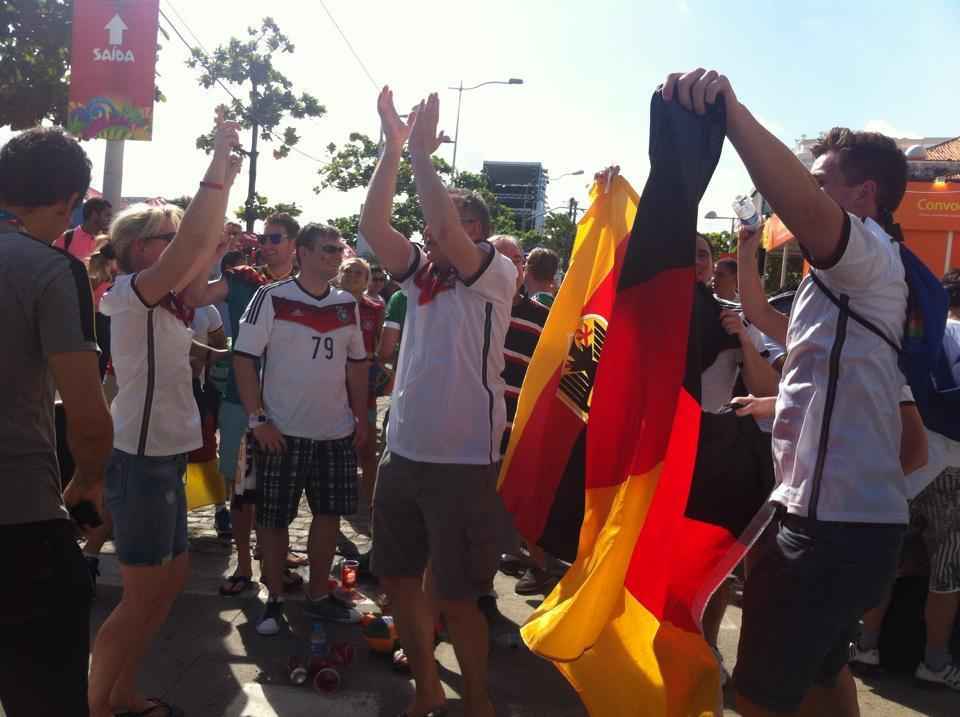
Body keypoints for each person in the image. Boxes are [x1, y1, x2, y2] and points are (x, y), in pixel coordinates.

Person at [664, 69, 913, 717]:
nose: (809, 191)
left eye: (824, 180)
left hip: (826, 524)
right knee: (825, 677)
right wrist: (747, 248)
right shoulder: (842, 281)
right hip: (840, 521)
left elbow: (797, 200)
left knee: (759, 699)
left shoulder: (866, 255)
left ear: (865, 195)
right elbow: (765, 321)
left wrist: (734, 114)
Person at [360, 87, 517, 717]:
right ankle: (427, 690)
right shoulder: (417, 270)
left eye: (456, 219)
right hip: (404, 452)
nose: (437, 223)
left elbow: (446, 228)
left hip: (463, 459)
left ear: (477, 230)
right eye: (436, 216)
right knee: (398, 580)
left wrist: (425, 159)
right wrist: (396, 148)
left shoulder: (495, 274)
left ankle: (476, 701)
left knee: (457, 595)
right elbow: (373, 226)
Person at [87, 114, 242, 717]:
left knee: (168, 583)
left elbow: (199, 252)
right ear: (139, 249)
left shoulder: (172, 297)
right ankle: (100, 704)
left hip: (166, 459)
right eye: (167, 236)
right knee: (143, 593)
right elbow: (193, 249)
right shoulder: (130, 292)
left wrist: (226, 174)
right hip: (140, 461)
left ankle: (121, 692)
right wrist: (218, 163)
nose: (179, 243)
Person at [0, 127, 114, 717]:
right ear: (69, 201)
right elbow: (89, 417)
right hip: (20, 519)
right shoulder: (51, 269)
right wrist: (89, 481)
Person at [233, 223, 369, 635]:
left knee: (329, 516)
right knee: (273, 519)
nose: (335, 256)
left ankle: (317, 596)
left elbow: (358, 364)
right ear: (304, 253)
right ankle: (273, 598)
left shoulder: (348, 302)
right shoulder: (271, 296)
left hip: (335, 432)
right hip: (282, 432)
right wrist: (258, 419)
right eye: (327, 249)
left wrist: (361, 419)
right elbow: (243, 358)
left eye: (339, 249)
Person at [187, 212, 303, 595]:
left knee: (282, 488)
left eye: (275, 239)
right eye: (264, 239)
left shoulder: (310, 286)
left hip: (293, 401)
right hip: (241, 396)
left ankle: (276, 559)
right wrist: (217, 251)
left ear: (293, 245)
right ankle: (241, 564)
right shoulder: (240, 280)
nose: (267, 246)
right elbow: (194, 296)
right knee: (242, 488)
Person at [489, 235, 554, 597]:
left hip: (517, 429)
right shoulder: (472, 306)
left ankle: (541, 569)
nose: (513, 265)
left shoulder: (542, 317)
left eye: (518, 259)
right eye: (504, 257)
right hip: (470, 430)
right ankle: (476, 596)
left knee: (522, 504)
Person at [337, 256, 386, 510]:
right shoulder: (326, 305)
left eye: (358, 273)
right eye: (347, 271)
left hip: (363, 388)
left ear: (366, 280)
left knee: (366, 448)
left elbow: (378, 346)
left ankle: (369, 505)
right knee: (334, 449)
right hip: (330, 387)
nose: (352, 276)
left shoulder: (375, 310)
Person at [53, 196, 113, 263]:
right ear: (94, 214)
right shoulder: (65, 239)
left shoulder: (108, 242)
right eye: (107, 215)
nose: (110, 219)